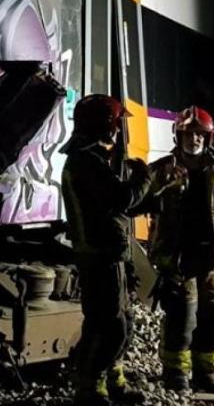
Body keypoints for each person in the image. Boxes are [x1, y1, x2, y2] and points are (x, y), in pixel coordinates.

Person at [146, 105, 214, 393]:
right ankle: (176, 374)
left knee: (213, 316)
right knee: (182, 317)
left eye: (199, 134)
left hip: (213, 258)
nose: (193, 139)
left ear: (208, 138)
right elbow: (138, 198)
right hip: (177, 257)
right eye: (187, 134)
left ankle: (207, 374)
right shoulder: (162, 170)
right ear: (178, 136)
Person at [62, 94, 153, 405]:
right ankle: (90, 386)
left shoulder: (89, 158)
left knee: (119, 320)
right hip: (100, 257)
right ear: (106, 125)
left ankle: (113, 379)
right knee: (110, 325)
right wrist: (144, 177)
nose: (117, 131)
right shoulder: (87, 161)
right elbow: (120, 200)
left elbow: (116, 208)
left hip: (109, 255)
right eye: (116, 124)